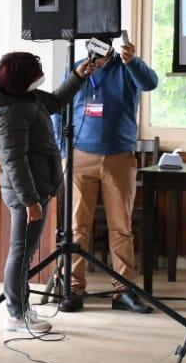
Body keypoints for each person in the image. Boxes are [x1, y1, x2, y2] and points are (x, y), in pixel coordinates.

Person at [0, 52, 91, 333]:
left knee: (23, 253)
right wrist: (31, 202)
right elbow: (14, 162)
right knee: (20, 254)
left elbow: (54, 102)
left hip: (37, 185)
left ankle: (20, 309)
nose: (39, 79)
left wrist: (78, 76)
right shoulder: (9, 113)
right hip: (25, 193)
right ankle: (16, 314)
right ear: (21, 80)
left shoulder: (24, 96)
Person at [57, 36, 160, 314]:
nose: (97, 57)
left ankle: (124, 291)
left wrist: (132, 60)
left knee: (121, 227)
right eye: (92, 49)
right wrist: (61, 149)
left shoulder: (128, 67)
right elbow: (58, 107)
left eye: (101, 50)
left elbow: (151, 83)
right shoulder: (78, 68)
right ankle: (73, 288)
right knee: (77, 226)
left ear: (111, 47)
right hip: (79, 157)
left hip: (119, 158)